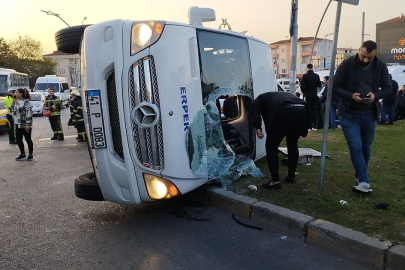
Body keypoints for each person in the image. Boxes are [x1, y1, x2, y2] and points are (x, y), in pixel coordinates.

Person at [333, 40, 392, 193]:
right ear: (359, 50)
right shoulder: (347, 65)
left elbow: (388, 88)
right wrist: (351, 96)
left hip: (369, 113)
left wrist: (376, 95)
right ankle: (364, 181)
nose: (365, 60)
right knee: (356, 147)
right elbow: (335, 86)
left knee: (366, 148)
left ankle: (360, 176)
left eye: (370, 58)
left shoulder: (381, 66)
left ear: (375, 55)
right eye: (363, 56)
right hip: (349, 113)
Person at [252, 92, 309, 190]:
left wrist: (258, 128)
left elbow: (255, 113)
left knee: (271, 147)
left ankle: (275, 181)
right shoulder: (275, 96)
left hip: (284, 111)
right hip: (302, 109)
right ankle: (291, 177)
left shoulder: (257, 101)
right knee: (292, 144)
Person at [12, 88, 34, 161]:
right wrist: (13, 101)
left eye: (16, 92)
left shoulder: (26, 103)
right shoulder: (17, 102)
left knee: (28, 139)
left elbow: (29, 114)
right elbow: (12, 111)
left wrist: (28, 124)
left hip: (24, 124)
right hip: (18, 124)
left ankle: (30, 154)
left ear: (21, 94)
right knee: (18, 139)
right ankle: (22, 154)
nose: (15, 94)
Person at [300, 63, 321, 131]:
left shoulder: (305, 76)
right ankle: (314, 126)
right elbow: (319, 85)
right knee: (314, 110)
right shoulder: (316, 76)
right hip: (314, 95)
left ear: (307, 68)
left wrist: (304, 91)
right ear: (312, 67)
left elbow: (302, 85)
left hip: (307, 95)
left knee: (308, 110)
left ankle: (309, 126)